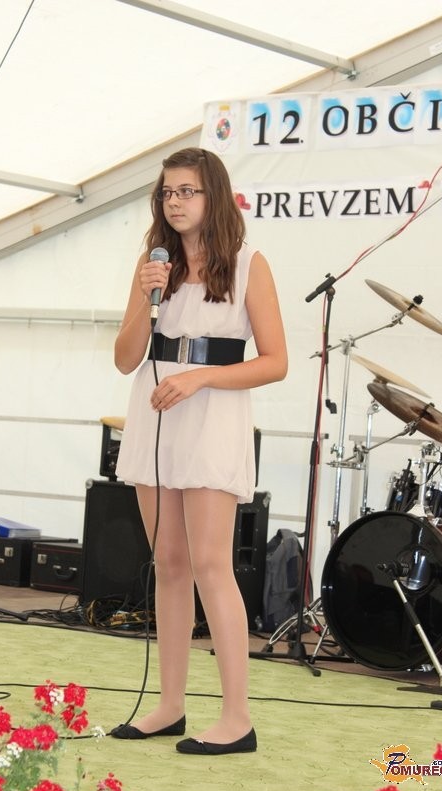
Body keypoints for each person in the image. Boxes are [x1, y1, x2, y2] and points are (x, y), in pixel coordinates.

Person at [111, 147, 287, 755]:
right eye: (167, 192)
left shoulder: (247, 264)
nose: (175, 202)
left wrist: (200, 378)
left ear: (214, 195)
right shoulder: (152, 266)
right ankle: (170, 706)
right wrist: (146, 297)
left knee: (212, 565)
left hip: (212, 413)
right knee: (169, 562)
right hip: (155, 412)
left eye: (187, 191)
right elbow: (125, 358)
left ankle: (237, 719)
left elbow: (276, 362)